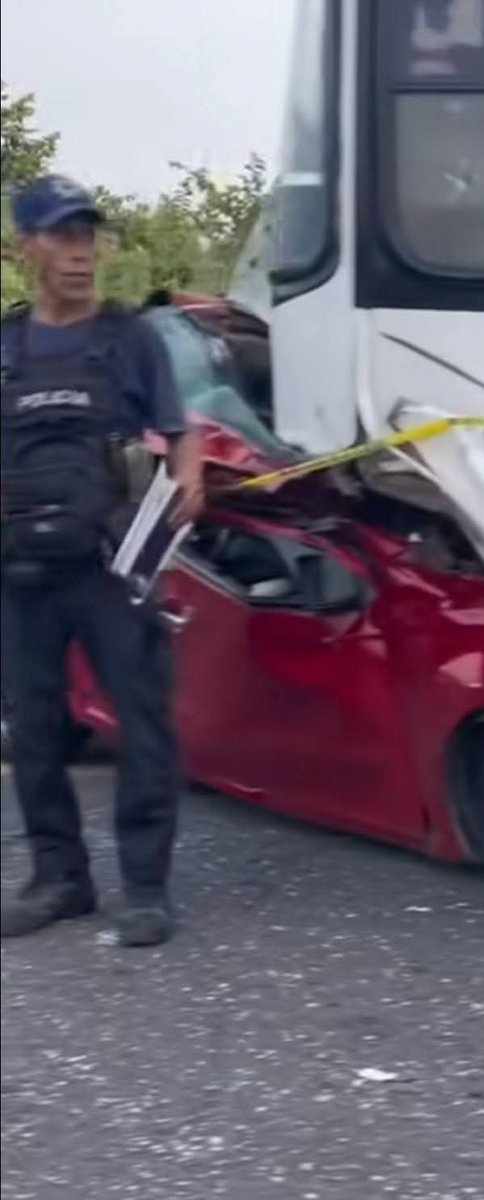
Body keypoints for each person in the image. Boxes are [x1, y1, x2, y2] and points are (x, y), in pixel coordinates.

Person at [0, 175, 204, 947]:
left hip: (113, 566)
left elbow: (178, 428)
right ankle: (60, 879)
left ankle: (146, 888)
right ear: (27, 247)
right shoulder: (7, 345)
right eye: (62, 235)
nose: (82, 251)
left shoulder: (130, 339)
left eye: (89, 235)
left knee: (143, 724)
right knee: (35, 729)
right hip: (21, 573)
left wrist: (190, 475)